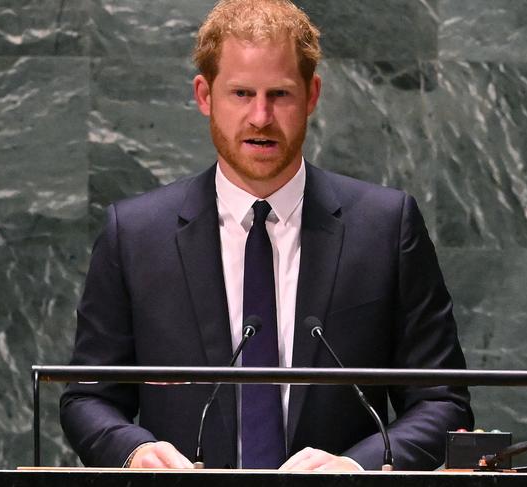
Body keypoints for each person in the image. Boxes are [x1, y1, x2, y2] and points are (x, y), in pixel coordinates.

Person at [60, 0, 473, 471]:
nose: (260, 116)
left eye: (279, 94)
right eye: (240, 93)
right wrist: (132, 450)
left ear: (312, 95)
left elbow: (443, 403)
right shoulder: (134, 234)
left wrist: (355, 467)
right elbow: (87, 399)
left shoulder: (384, 226)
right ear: (204, 95)